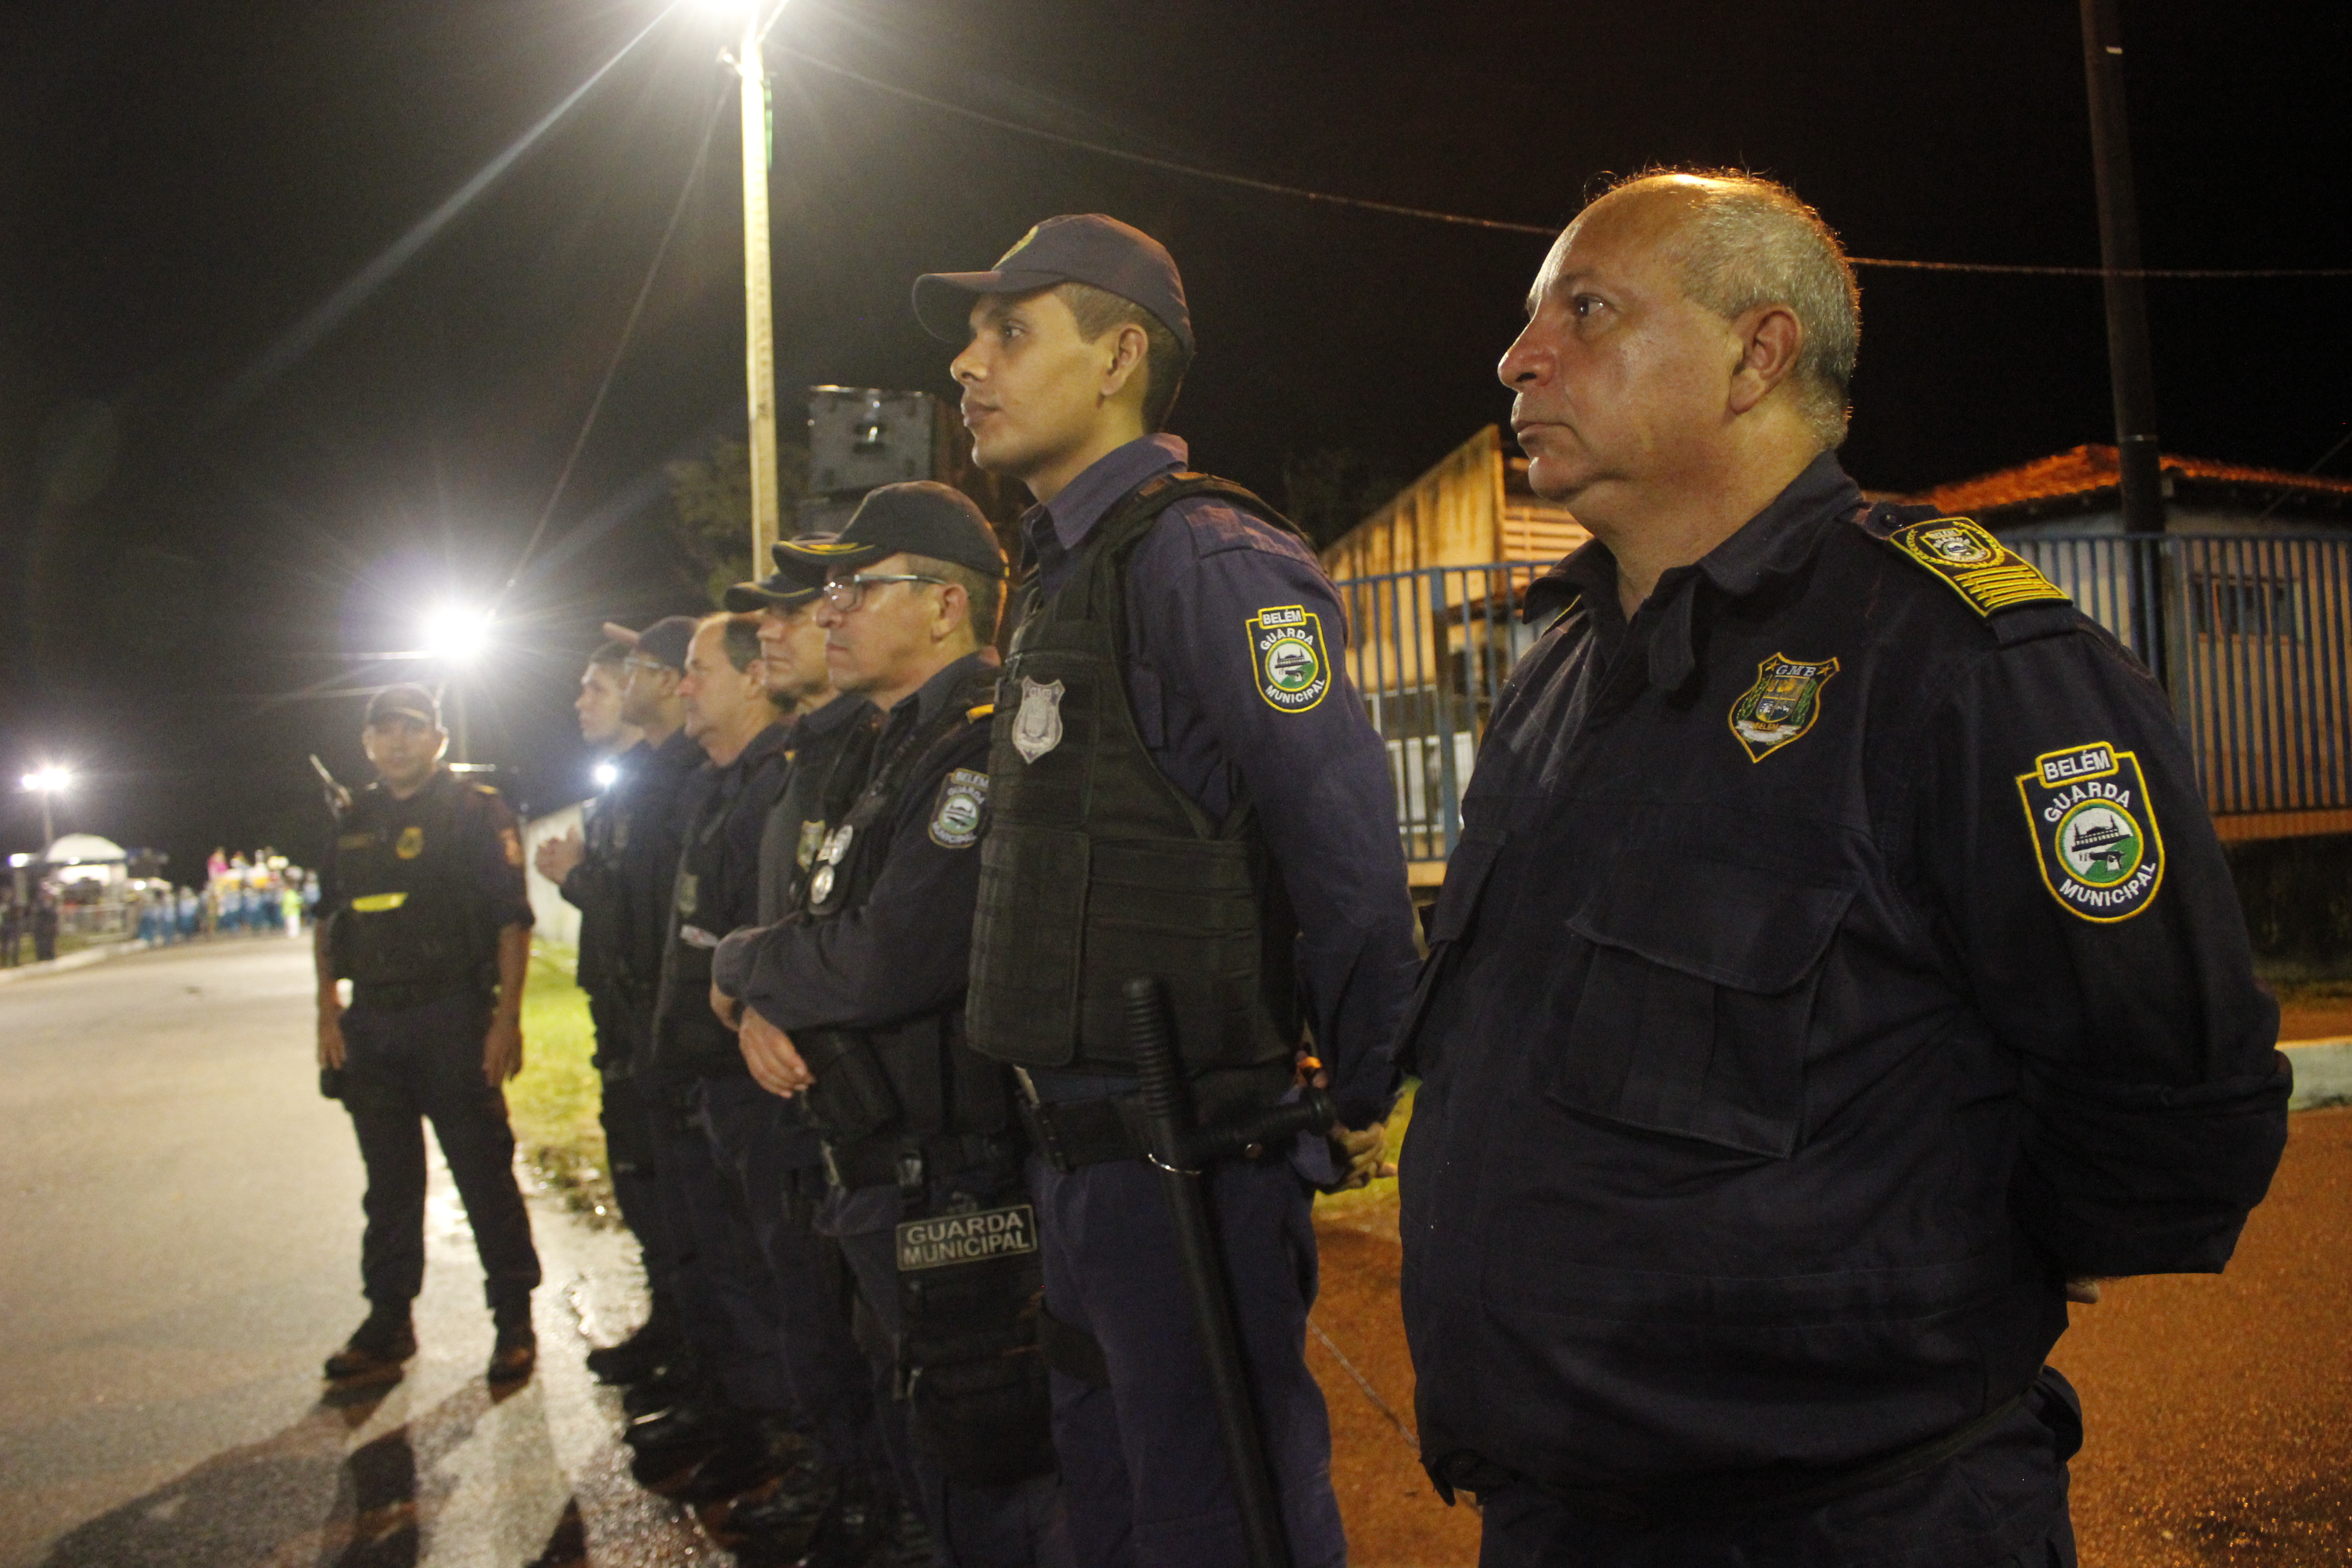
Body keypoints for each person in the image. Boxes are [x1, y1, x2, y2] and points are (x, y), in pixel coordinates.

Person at [1393, 170, 2293, 1568]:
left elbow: (2175, 1099)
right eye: (1529, 321)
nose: (1519, 358)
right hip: (1558, 1513)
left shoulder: (1955, 658)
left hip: (1855, 1521)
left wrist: (1927, 1289)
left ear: (1758, 355)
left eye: (1587, 310)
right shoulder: (1560, 669)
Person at [911, 213, 1417, 1568]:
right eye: (973, 335)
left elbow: (1344, 843)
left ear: (1121, 355)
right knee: (1114, 1484)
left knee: (1220, 1504)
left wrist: (1357, 1084)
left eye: (1010, 331)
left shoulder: (1209, 560)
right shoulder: (1064, 567)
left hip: (1191, 1143)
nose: (969, 363)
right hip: (1080, 1145)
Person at [715, 482, 1063, 1568]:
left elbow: (885, 958)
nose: (830, 609)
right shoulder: (882, 748)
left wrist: (737, 966)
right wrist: (764, 994)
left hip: (955, 1181)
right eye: (829, 589)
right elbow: (824, 927)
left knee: (994, 1475)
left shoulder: (971, 747)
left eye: (859, 586)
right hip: (878, 1168)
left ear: (947, 607)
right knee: (929, 1449)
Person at [699, 545, 902, 1562]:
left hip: (865, 1099)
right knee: (820, 1317)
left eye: (799, 609)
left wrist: (750, 977)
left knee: (868, 1334)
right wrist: (752, 1002)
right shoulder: (804, 764)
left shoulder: (881, 750)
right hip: (797, 1087)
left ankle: (877, 1502)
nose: (776, 629)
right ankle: (850, 1487)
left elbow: (874, 937)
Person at [314, 683, 543, 1385]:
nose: (398, 742)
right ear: (368, 744)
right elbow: (329, 921)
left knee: (482, 1174)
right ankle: (389, 1322)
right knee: (389, 1188)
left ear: (438, 739)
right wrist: (326, 1010)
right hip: (375, 1022)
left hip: (454, 1019)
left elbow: (512, 920)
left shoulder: (475, 813)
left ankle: (513, 1321)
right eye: (384, 731)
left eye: (412, 729)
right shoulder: (354, 818)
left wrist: (506, 1020)